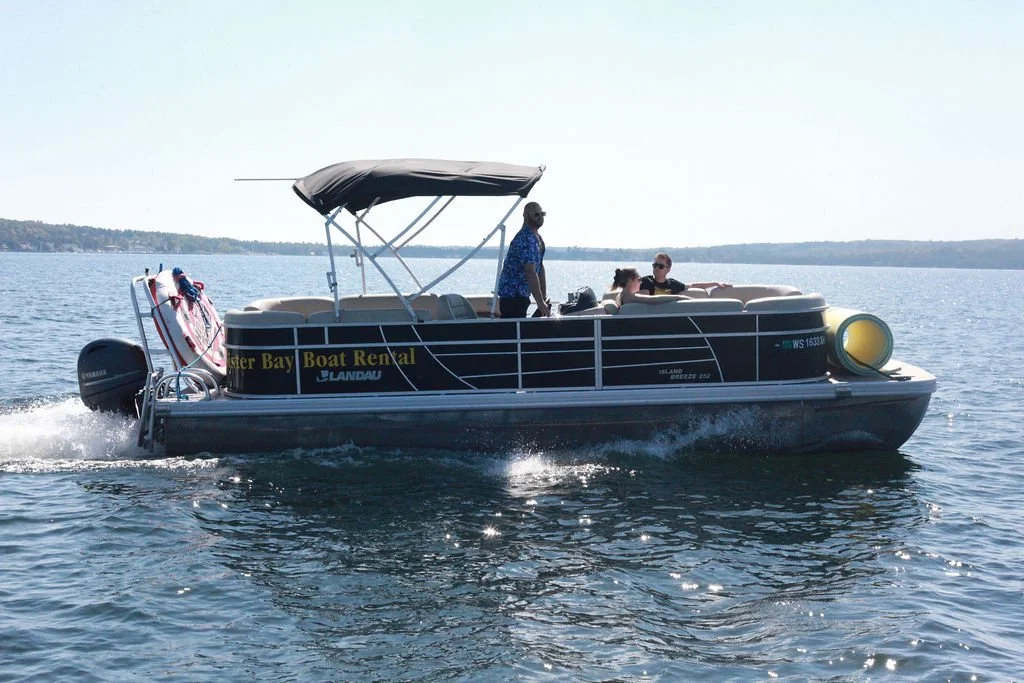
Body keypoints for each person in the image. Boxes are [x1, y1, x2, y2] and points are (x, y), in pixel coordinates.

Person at [497, 201, 549, 317]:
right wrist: (540, 302)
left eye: (542, 214)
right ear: (526, 216)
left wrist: (543, 297)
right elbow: (530, 271)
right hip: (512, 297)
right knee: (513, 332)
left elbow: (539, 268)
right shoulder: (525, 239)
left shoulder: (538, 239)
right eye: (536, 214)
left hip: (522, 297)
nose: (540, 217)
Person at [639, 252, 731, 295]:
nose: (657, 268)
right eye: (655, 265)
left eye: (661, 266)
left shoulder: (672, 284)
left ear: (668, 269)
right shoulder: (646, 281)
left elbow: (692, 285)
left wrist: (715, 283)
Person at [610, 267, 690, 307]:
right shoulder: (629, 297)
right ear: (631, 280)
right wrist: (679, 297)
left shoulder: (621, 295)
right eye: (639, 279)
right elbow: (653, 299)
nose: (641, 282)